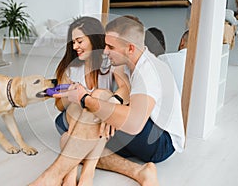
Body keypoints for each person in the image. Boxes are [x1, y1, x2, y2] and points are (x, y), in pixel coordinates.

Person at [31, 15, 185, 186]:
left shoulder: (149, 72)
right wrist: (110, 104)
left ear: (130, 48)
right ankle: (138, 172)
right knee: (68, 136)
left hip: (160, 142)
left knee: (93, 104)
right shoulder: (124, 62)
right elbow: (123, 90)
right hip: (139, 133)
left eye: (110, 46)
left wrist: (89, 100)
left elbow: (135, 123)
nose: (104, 50)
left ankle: (53, 176)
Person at [30, 16, 130, 186]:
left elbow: (125, 89)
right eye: (73, 42)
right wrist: (70, 96)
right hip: (72, 119)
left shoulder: (110, 61)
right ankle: (84, 177)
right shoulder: (70, 68)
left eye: (79, 41)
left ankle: (73, 176)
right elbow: (59, 107)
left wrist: (111, 101)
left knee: (98, 98)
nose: (75, 46)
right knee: (83, 104)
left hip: (101, 125)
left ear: (93, 38)